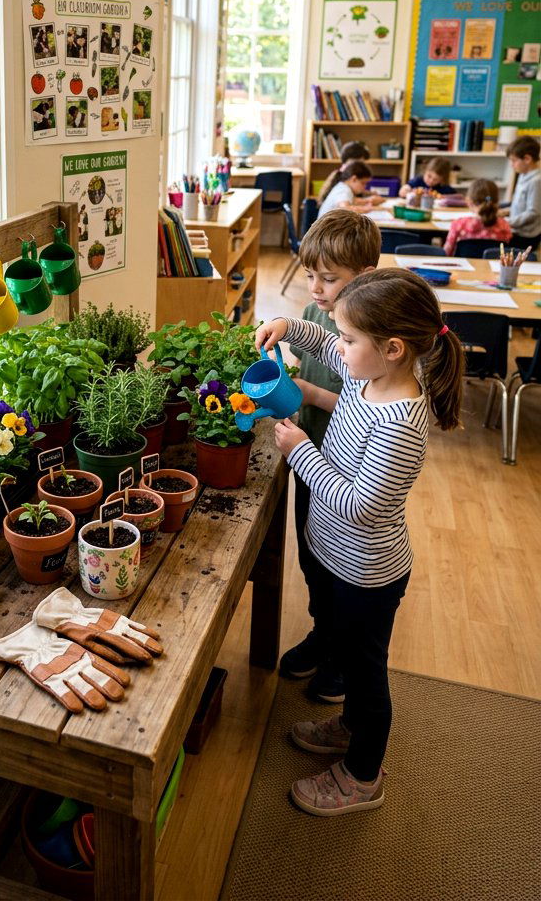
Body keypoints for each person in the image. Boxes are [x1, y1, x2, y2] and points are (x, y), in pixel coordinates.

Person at [256, 270, 464, 816]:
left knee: (364, 674)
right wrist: (289, 325)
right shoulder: (367, 376)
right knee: (341, 641)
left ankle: (363, 775)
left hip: (367, 575)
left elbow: (358, 505)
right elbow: (325, 339)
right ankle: (349, 728)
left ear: (393, 349)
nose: (339, 346)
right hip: (334, 559)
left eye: (350, 340)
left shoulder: (400, 420)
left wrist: (300, 449)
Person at [282, 211, 381, 705]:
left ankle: (342, 658)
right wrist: (289, 328)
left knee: (340, 569)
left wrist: (308, 393)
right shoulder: (323, 311)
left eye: (329, 278)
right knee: (311, 554)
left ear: (362, 278)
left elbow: (366, 408)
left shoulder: (372, 331)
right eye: (310, 275)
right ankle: (324, 633)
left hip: (348, 466)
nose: (316, 288)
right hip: (313, 455)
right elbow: (318, 340)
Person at [442, 178, 511, 256]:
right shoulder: (504, 225)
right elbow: (504, 253)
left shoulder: (459, 224)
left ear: (469, 201)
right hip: (493, 267)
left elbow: (447, 253)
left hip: (463, 267)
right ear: (497, 202)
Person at [501, 135, 541, 246]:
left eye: (514, 161)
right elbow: (520, 203)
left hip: (526, 236)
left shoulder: (536, 181)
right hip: (516, 229)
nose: (511, 165)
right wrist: (505, 211)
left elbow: (533, 212)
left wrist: (507, 222)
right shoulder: (523, 175)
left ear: (527, 159)